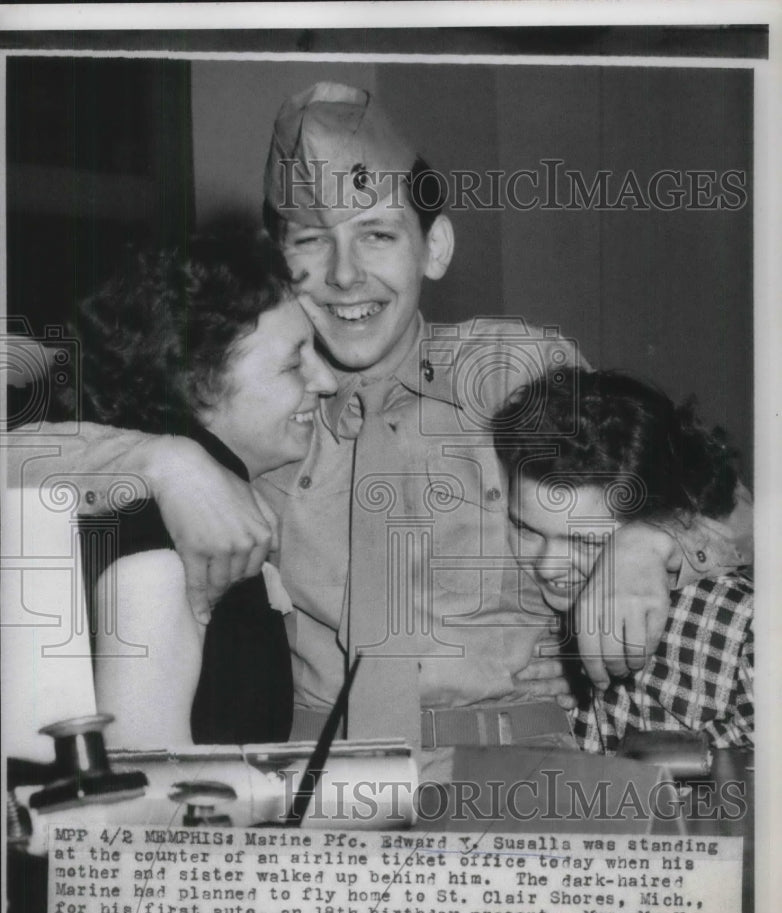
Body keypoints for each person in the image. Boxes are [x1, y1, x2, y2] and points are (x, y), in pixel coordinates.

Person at [10, 83, 752, 762]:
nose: (343, 275)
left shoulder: (516, 373)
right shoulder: (259, 409)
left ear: (435, 247)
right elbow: (21, 457)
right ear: (277, 263)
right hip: (317, 783)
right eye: (309, 239)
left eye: (378, 235)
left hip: (514, 768)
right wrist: (166, 461)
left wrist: (648, 542)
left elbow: (741, 513)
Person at [66, 231, 337, 747]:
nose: (325, 380)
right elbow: (151, 801)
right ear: (199, 383)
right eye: (293, 362)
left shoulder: (199, 506)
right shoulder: (161, 543)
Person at [493, 368, 753, 751]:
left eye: (584, 540)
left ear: (658, 519)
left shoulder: (739, 629)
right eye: (526, 529)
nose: (548, 566)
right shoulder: (519, 603)